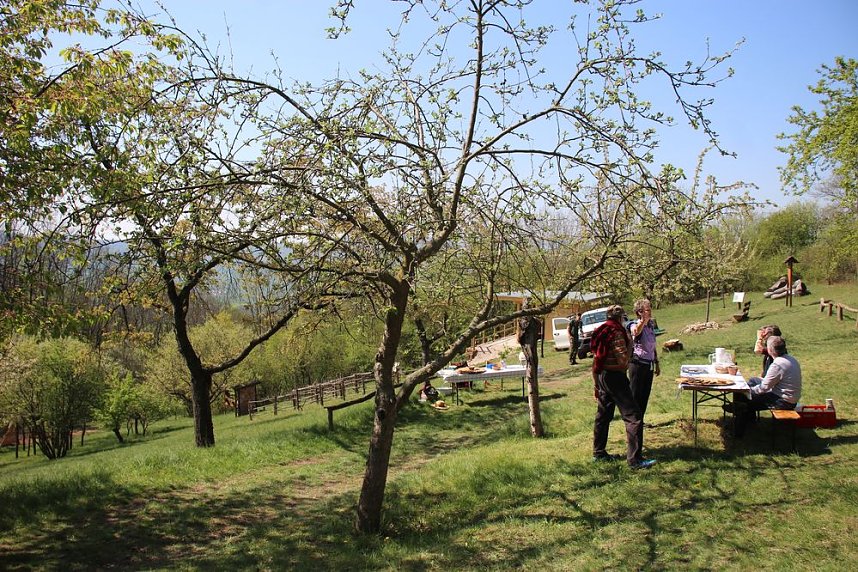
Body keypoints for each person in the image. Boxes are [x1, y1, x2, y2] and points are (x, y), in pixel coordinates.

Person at [591, 304, 656, 469]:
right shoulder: (617, 332)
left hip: (602, 376)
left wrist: (596, 384)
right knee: (634, 417)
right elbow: (622, 360)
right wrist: (630, 349)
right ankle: (635, 460)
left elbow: (596, 358)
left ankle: (598, 453)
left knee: (603, 416)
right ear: (621, 318)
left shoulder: (601, 330)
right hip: (615, 378)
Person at [732, 335, 802, 437]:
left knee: (743, 398)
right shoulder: (791, 359)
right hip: (790, 396)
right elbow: (772, 382)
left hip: (783, 401)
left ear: (769, 349)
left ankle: (738, 432)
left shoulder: (777, 364)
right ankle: (750, 419)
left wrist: (746, 391)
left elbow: (764, 388)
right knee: (753, 380)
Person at [627, 299, 661, 438]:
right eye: (647, 310)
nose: (650, 311)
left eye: (650, 309)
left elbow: (652, 345)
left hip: (649, 365)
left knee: (644, 396)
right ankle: (633, 425)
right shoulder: (633, 324)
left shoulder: (651, 325)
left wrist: (657, 362)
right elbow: (635, 332)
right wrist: (643, 320)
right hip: (637, 365)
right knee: (635, 396)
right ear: (639, 312)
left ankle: (641, 421)